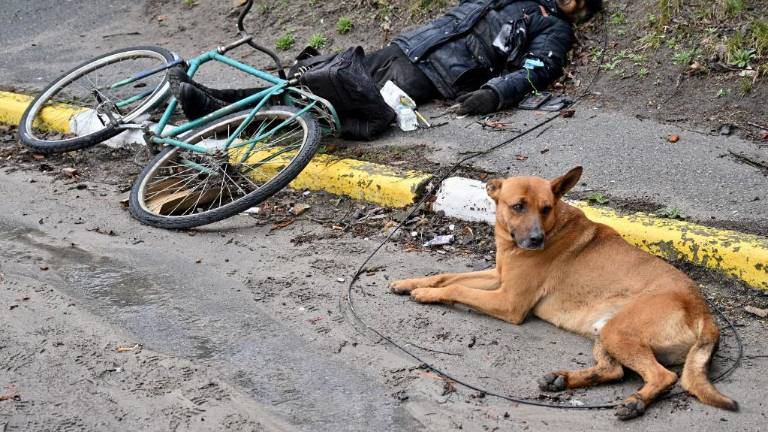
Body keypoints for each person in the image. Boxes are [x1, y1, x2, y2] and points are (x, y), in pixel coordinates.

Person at [174, 0, 601, 120]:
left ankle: (218, 110)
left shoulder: (554, 27)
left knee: (333, 106)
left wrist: (492, 93)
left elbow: (538, 70)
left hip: (432, 77)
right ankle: (216, 101)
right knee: (313, 81)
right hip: (405, 47)